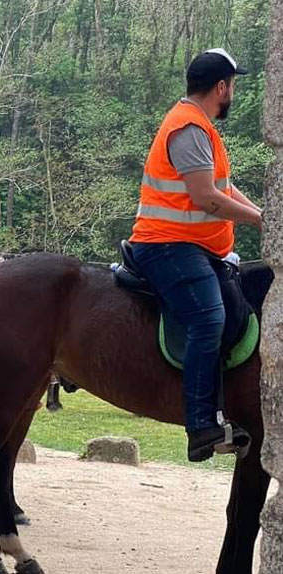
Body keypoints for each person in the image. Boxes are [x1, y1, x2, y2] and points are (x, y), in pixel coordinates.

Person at [129, 48, 261, 462]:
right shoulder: (187, 128)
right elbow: (208, 200)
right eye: (233, 86)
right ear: (221, 87)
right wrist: (263, 224)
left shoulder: (200, 126)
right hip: (167, 245)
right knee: (209, 317)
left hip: (192, 247)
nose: (233, 93)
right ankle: (201, 425)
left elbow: (224, 189)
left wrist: (264, 215)